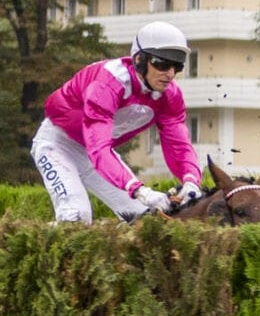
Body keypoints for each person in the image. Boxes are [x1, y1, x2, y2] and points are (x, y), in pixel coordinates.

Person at [33, 21, 204, 222]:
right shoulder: (108, 83)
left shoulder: (170, 96)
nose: (170, 74)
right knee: (77, 216)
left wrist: (191, 180)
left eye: (177, 66)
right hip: (58, 144)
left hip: (95, 153)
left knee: (145, 219)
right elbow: (99, 149)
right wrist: (138, 189)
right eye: (162, 64)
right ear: (139, 59)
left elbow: (179, 146)